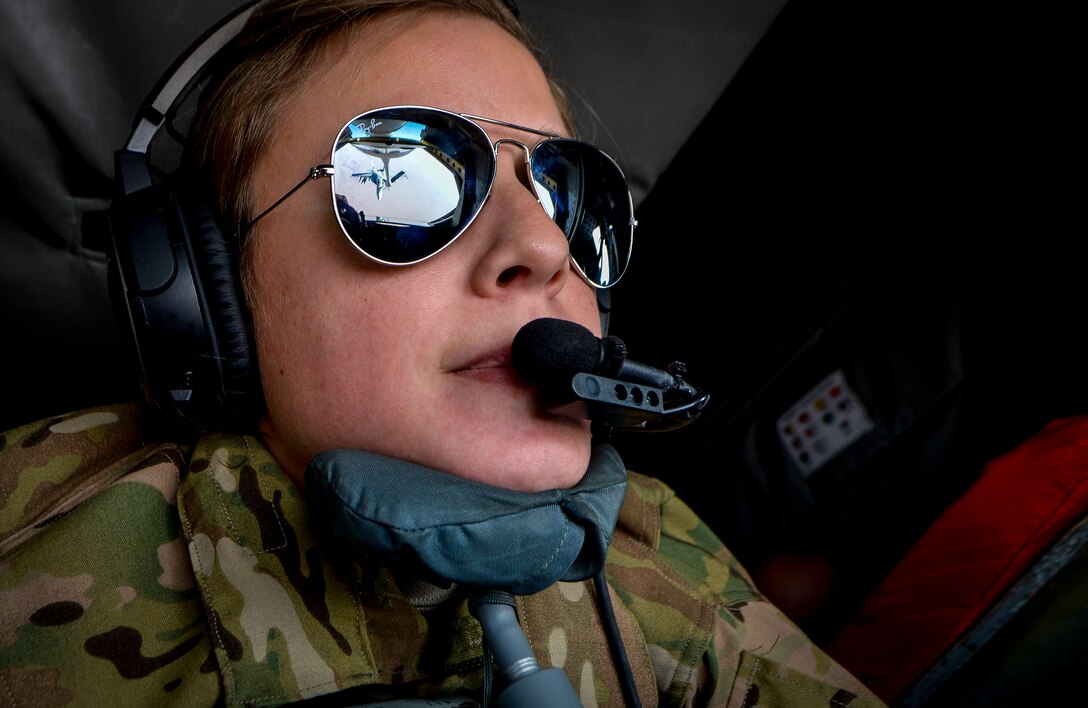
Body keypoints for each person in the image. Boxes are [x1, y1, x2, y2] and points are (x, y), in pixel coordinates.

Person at [0, 0, 886, 705]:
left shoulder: (677, 568)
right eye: (406, 180)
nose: (542, 248)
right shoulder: (33, 559)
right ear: (207, 294)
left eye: (567, 195)